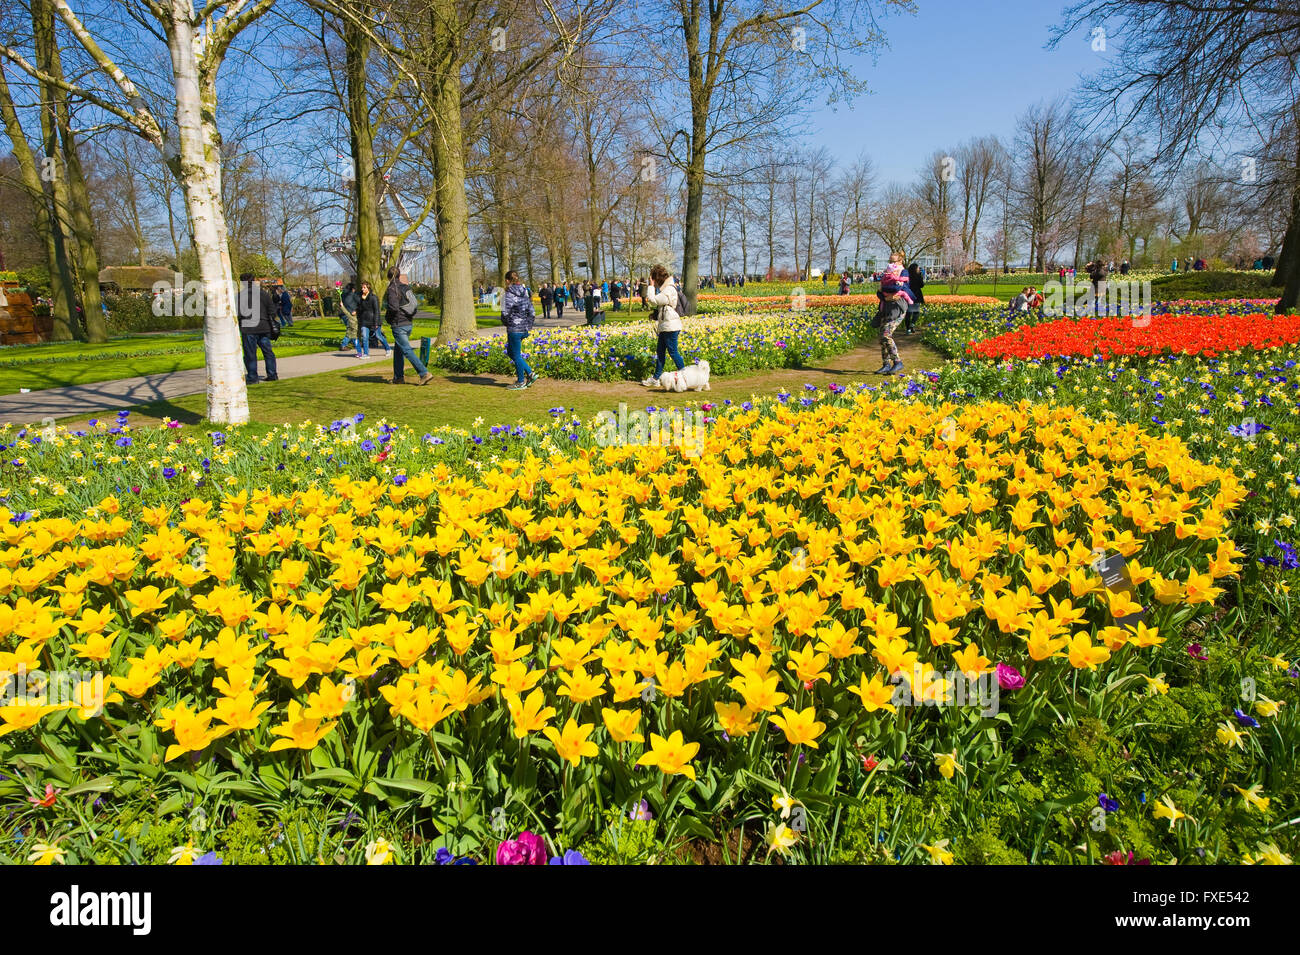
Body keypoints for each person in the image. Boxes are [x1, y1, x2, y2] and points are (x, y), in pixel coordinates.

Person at [384, 267, 433, 385]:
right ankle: (398, 377)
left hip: (398, 323)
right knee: (398, 350)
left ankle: (424, 373)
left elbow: (393, 308)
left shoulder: (392, 289)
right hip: (407, 323)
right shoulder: (406, 287)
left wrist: (388, 319)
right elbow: (413, 305)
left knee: (406, 350)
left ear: (388, 276)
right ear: (399, 275)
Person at [642, 264, 686, 388]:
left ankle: (685, 375)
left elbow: (653, 300)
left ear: (657, 278)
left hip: (670, 327)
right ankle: (656, 378)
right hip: (666, 326)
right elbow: (663, 306)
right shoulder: (666, 289)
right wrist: (656, 315)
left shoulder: (669, 289)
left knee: (673, 352)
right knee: (660, 352)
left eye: (653, 280)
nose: (653, 283)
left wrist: (650, 286)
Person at [238, 273, 278, 384]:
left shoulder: (240, 296)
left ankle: (252, 377)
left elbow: (238, 314)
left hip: (249, 328)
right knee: (268, 352)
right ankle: (272, 374)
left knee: (250, 354)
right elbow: (272, 311)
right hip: (263, 327)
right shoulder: (263, 294)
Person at [502, 269, 538, 390]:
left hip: (514, 329)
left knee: (516, 355)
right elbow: (532, 312)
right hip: (523, 328)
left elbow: (505, 313)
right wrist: (528, 326)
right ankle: (530, 373)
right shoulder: (525, 292)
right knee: (511, 352)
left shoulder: (507, 295)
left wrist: (507, 323)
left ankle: (521, 381)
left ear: (507, 280)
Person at [874, 252, 908, 376]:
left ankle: (897, 361)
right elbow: (880, 290)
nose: (891, 264)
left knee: (886, 334)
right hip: (886, 307)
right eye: (890, 261)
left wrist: (894, 294)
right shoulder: (887, 274)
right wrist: (884, 296)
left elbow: (903, 289)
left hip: (897, 309)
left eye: (894, 262)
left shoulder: (903, 272)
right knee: (881, 337)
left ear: (900, 261)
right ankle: (886, 364)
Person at [355, 279, 386, 357]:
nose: (362, 289)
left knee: (379, 336)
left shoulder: (373, 298)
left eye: (364, 287)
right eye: (362, 287)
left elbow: (376, 311)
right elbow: (359, 308)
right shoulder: (360, 298)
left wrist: (376, 323)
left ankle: (387, 348)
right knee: (365, 337)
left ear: (368, 288)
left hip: (373, 320)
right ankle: (366, 354)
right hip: (364, 321)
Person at [339, 280, 360, 354]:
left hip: (343, 314)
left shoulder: (343, 294)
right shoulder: (353, 294)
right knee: (352, 331)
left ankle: (352, 344)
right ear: (353, 289)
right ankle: (344, 345)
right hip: (351, 315)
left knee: (350, 330)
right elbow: (360, 302)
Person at [905, 261, 925, 334]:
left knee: (908, 312)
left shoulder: (907, 277)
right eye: (918, 268)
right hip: (916, 295)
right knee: (916, 312)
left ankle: (908, 329)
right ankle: (912, 324)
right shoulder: (918, 276)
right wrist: (920, 276)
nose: (918, 269)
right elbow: (922, 285)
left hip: (908, 295)